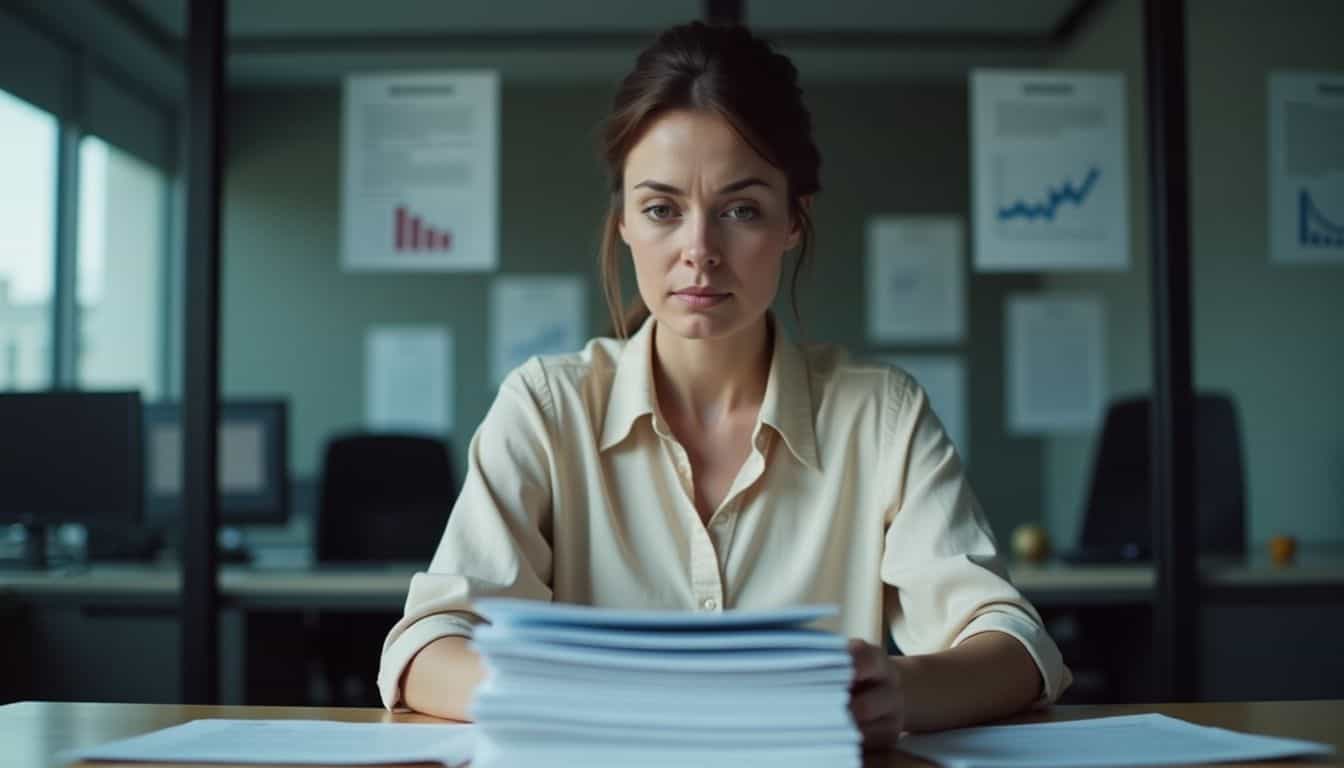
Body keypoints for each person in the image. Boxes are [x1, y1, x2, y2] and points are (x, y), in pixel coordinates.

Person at [378, 21, 1070, 748]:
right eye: (661, 210)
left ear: (792, 223)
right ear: (623, 224)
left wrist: (899, 692)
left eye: (741, 210)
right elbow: (425, 646)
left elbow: (1015, 644)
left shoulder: (881, 413)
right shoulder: (547, 407)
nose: (699, 252)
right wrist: (577, 697)